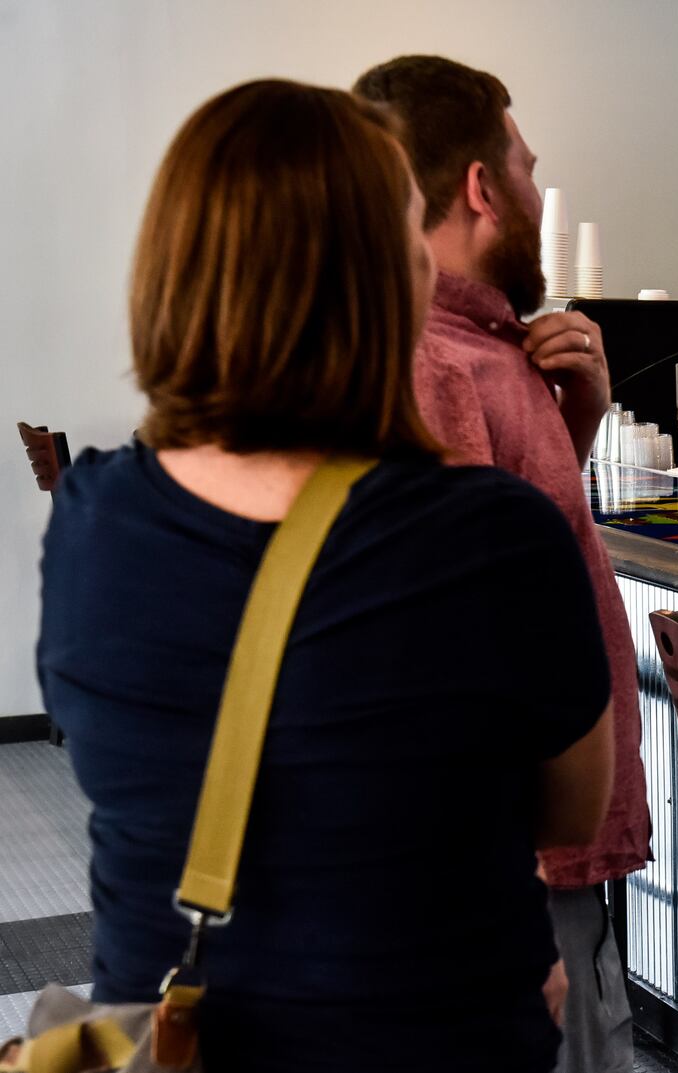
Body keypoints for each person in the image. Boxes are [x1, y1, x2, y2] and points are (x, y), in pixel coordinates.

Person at [36, 80, 613, 1072]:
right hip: (432, 1034)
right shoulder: (489, 536)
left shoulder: (92, 519)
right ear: (387, 274)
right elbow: (569, 810)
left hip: (165, 1042)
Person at [353, 56, 650, 1073]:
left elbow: (508, 565)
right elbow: (454, 655)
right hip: (515, 866)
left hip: (524, 855)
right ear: (482, 186)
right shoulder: (438, 366)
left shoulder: (483, 353)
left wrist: (580, 420)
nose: (534, 189)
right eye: (526, 167)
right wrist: (498, 898)